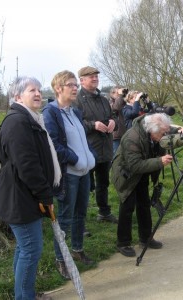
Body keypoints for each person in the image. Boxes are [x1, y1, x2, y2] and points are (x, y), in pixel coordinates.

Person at [0, 76, 60, 300]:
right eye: (32, 90)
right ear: (17, 96)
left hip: (23, 196)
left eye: (39, 90)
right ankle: (25, 296)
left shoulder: (30, 119)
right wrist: (45, 195)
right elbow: (28, 165)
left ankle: (23, 294)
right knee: (31, 250)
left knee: (25, 248)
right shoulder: (18, 122)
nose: (38, 94)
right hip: (20, 198)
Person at [43, 71, 96, 279]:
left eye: (76, 85)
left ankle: (77, 249)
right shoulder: (51, 113)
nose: (75, 88)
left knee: (80, 214)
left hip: (84, 173)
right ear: (58, 88)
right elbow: (54, 146)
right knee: (64, 219)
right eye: (70, 85)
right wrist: (76, 159)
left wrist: (91, 155)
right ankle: (61, 260)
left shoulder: (75, 112)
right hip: (69, 174)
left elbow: (83, 139)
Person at [112, 113, 173, 257]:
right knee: (127, 207)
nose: (164, 135)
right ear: (153, 129)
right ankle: (123, 243)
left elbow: (167, 134)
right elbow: (134, 165)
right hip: (126, 175)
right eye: (163, 133)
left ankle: (146, 238)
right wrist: (159, 162)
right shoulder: (132, 137)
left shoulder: (152, 133)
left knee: (144, 205)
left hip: (142, 173)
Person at [75, 66, 118, 224]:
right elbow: (75, 123)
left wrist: (113, 121)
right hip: (87, 149)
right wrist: (93, 125)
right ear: (82, 80)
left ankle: (104, 212)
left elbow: (112, 115)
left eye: (96, 76)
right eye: (91, 76)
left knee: (103, 183)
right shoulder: (77, 100)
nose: (95, 79)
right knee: (85, 187)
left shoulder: (103, 99)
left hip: (105, 148)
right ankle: (80, 220)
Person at [109, 86, 127, 156]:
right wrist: (120, 95)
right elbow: (116, 108)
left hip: (123, 133)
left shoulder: (122, 102)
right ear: (112, 93)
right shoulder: (110, 103)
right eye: (118, 93)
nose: (120, 95)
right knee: (116, 156)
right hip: (116, 135)